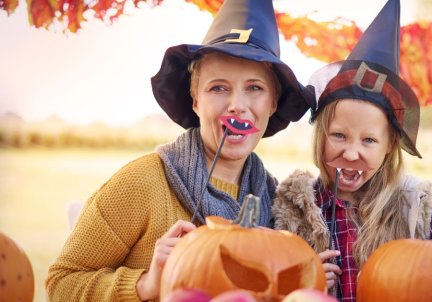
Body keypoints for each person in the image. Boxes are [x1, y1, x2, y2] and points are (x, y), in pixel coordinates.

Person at [45, 0, 313, 301]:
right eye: (218, 88)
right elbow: (61, 283)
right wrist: (145, 284)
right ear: (195, 100)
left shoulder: (274, 204)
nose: (237, 105)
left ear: (273, 103)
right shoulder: (143, 182)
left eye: (254, 88)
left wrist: (307, 278)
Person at [272, 0, 432, 301]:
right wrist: (303, 281)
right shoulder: (296, 210)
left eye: (368, 141)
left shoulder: (410, 208)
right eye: (339, 135)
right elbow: (272, 276)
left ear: (389, 146)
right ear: (321, 137)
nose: (351, 154)